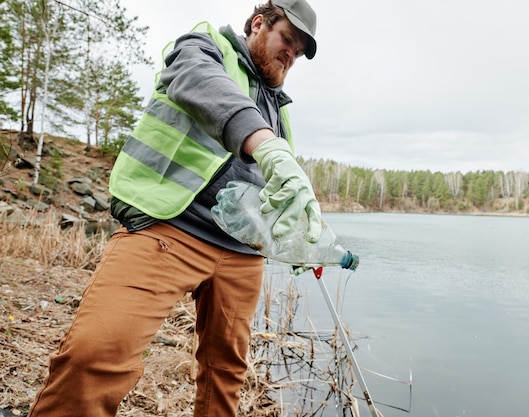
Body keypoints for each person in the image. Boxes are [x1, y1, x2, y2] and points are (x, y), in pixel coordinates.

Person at [28, 1, 321, 416]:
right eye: (286, 39)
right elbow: (201, 85)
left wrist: (294, 237)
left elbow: (268, 192)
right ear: (259, 24)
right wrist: (266, 145)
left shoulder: (280, 111)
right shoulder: (204, 47)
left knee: (226, 375)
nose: (290, 54)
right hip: (169, 229)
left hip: (242, 256)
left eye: (298, 51)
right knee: (95, 354)